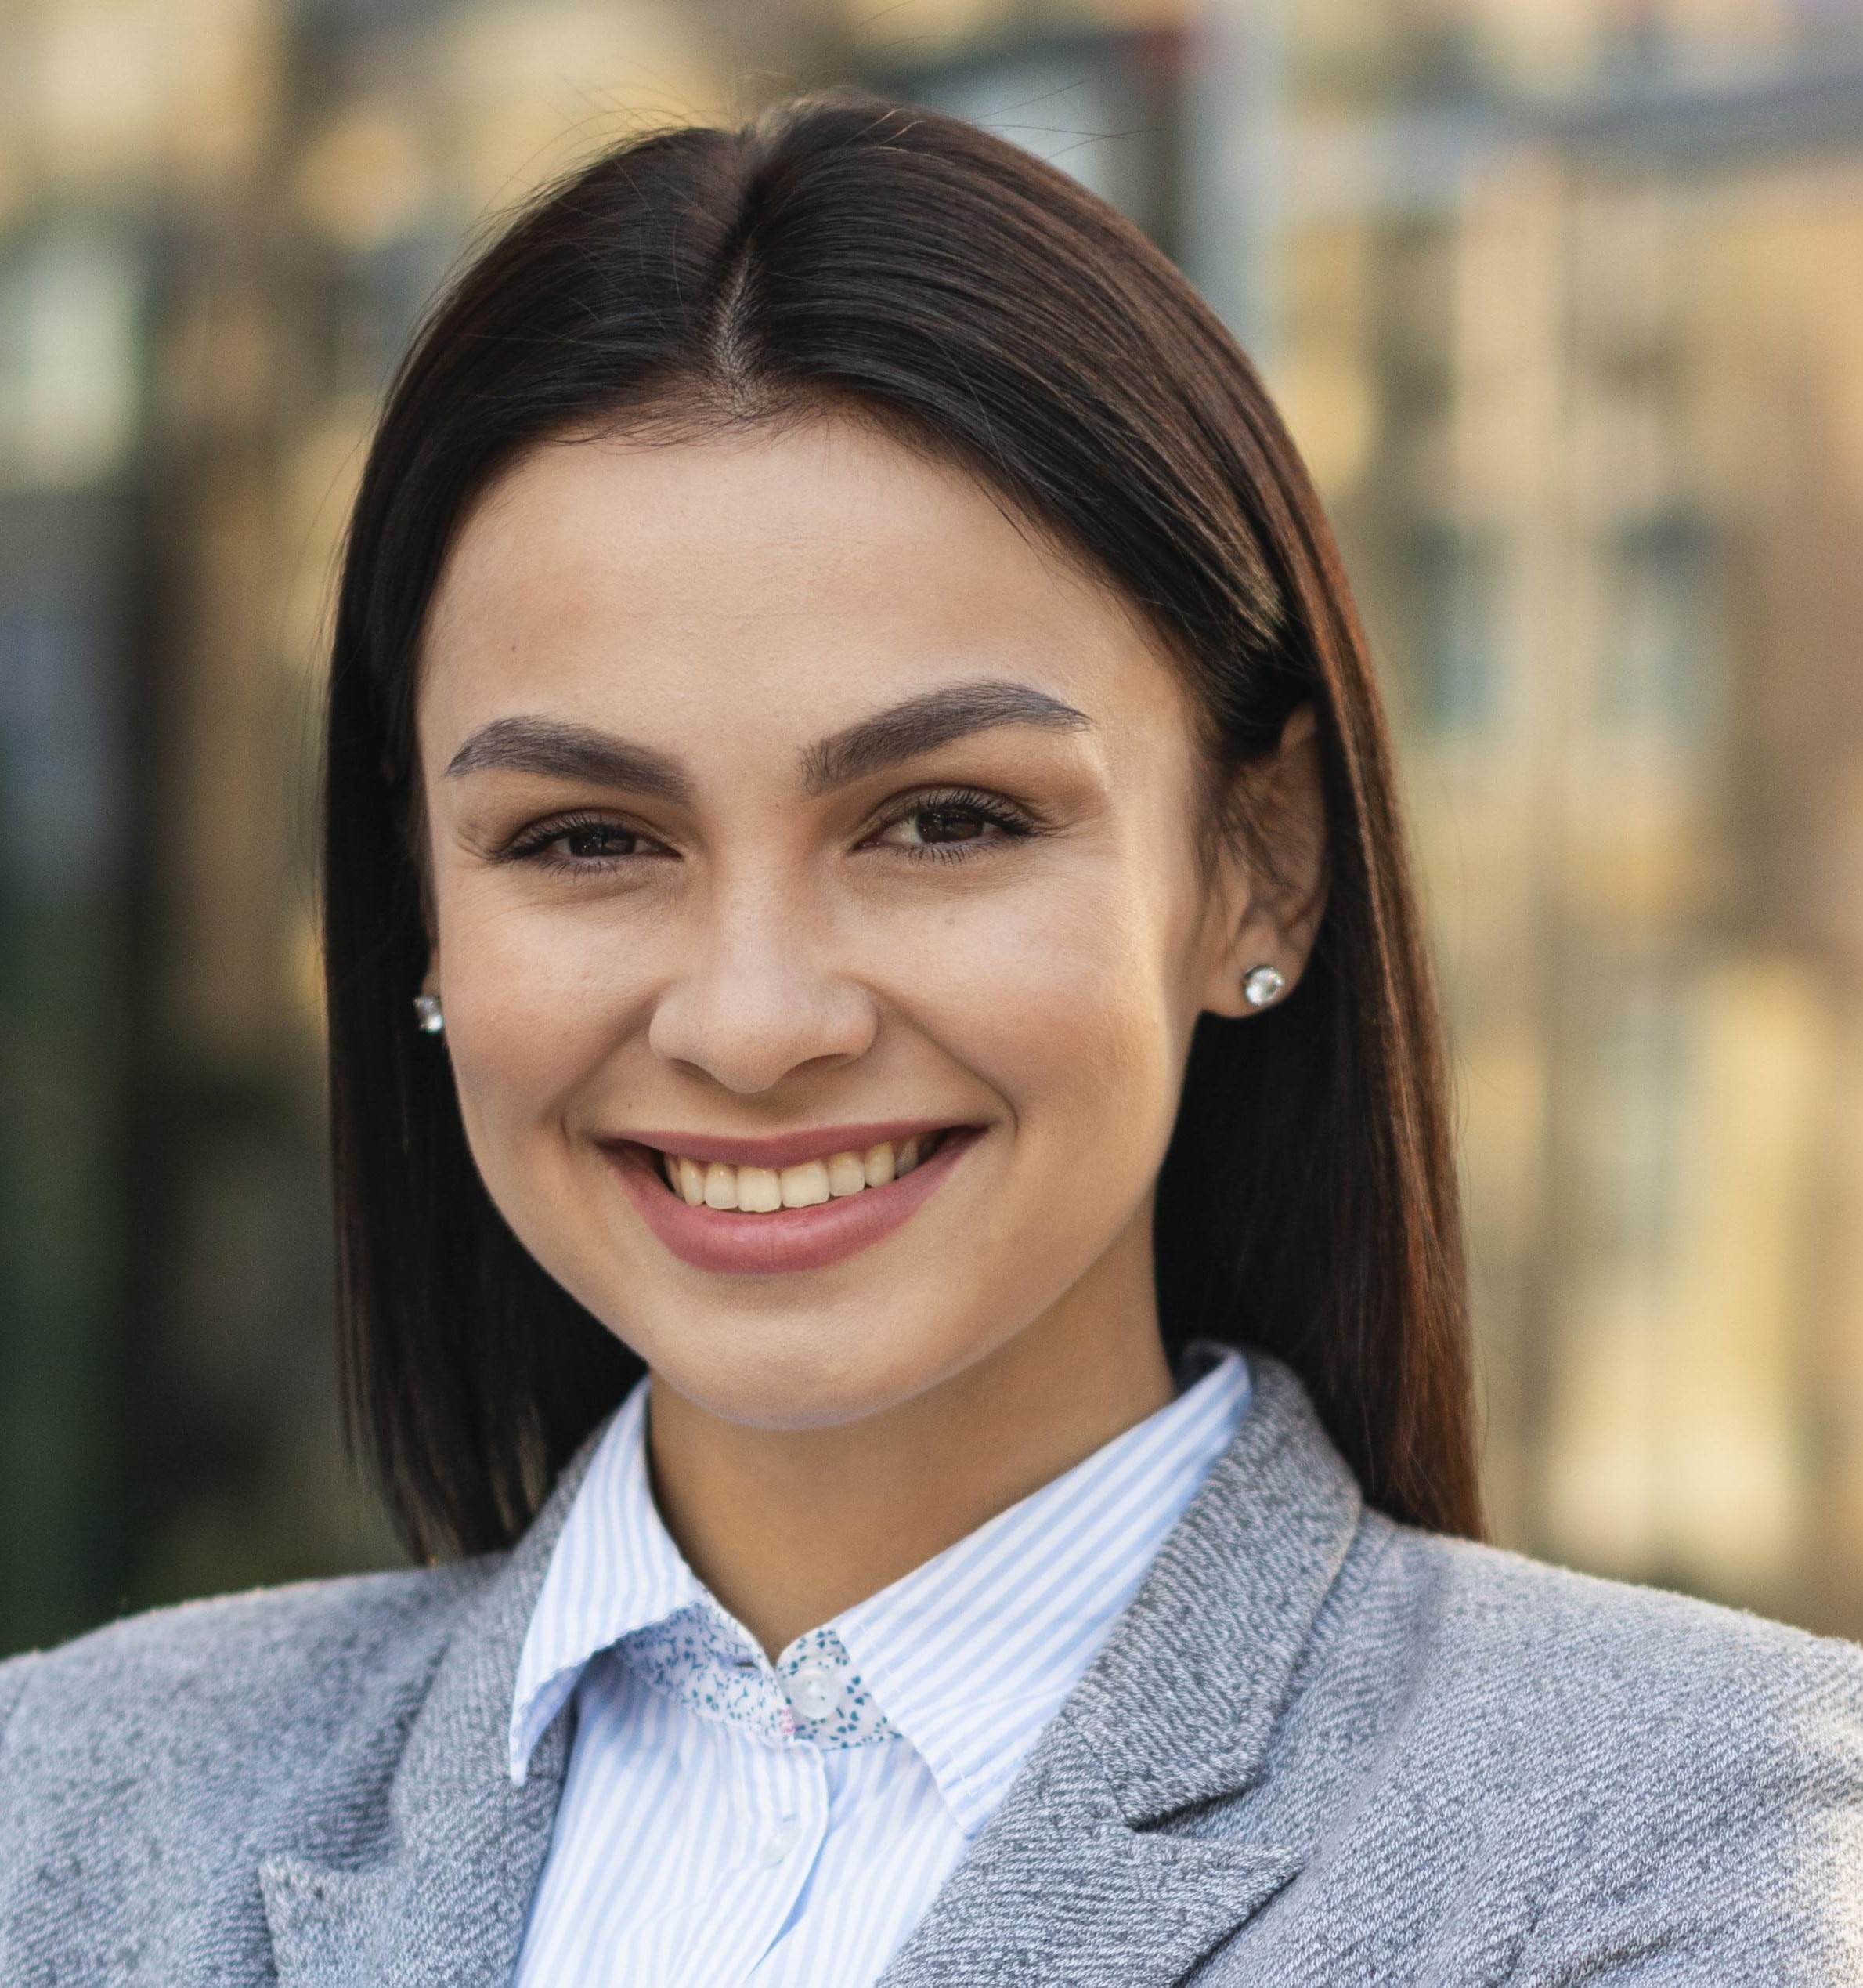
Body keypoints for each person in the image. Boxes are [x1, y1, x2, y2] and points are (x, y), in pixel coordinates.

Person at [3, 92, 1860, 1987]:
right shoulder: (62, 1817)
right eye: (585, 839)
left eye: (945, 819)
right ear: (420, 911)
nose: (752, 1021)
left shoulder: (1692, 1841)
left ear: (1259, 866)